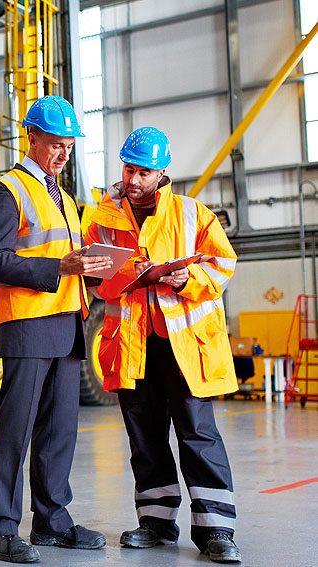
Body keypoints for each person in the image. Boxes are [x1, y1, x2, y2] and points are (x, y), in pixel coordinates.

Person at [84, 126, 242, 564]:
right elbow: (93, 277)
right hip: (132, 344)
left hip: (184, 346)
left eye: (144, 172)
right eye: (129, 169)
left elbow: (224, 264)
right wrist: (120, 276)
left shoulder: (193, 214)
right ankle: (155, 523)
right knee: (145, 436)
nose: (133, 180)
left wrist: (188, 277)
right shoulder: (102, 218)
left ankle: (217, 530)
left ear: (162, 173)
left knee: (198, 433)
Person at [0, 95, 110, 564]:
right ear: (30, 137)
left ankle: (53, 521)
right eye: (55, 145)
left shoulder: (68, 201)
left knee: (59, 431)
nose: (62, 154)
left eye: (68, 147)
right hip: (29, 325)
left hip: (68, 324)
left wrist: (96, 269)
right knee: (16, 428)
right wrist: (60, 265)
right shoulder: (5, 190)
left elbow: (71, 262)